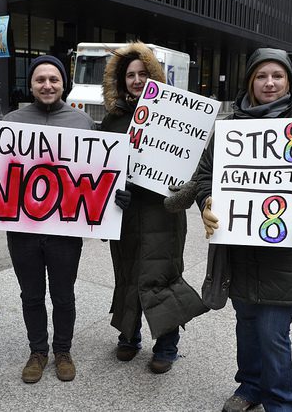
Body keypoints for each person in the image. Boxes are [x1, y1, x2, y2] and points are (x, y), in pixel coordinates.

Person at [195, 48, 292, 412]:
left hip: (287, 253)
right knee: (246, 324)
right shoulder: (227, 129)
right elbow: (204, 177)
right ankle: (249, 387)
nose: (270, 82)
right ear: (250, 81)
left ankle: (280, 403)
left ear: (289, 82)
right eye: (262, 76)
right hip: (239, 251)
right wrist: (207, 203)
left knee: (273, 333)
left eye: (277, 75)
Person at [0, 55, 100, 384]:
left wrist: (112, 198)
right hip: (22, 231)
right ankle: (38, 352)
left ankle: (63, 351)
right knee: (31, 295)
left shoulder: (83, 123)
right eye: (40, 80)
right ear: (31, 84)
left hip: (65, 230)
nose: (47, 85)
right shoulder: (10, 121)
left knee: (64, 295)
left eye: (54, 79)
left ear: (64, 83)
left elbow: (99, 172)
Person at [99, 41, 207, 374]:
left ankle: (167, 343)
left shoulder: (178, 118)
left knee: (161, 275)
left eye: (143, 73)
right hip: (126, 214)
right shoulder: (112, 121)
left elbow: (197, 167)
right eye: (130, 75)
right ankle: (129, 337)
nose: (136, 80)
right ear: (120, 81)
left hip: (164, 212)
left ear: (154, 76)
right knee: (127, 274)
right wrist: (111, 200)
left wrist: (185, 191)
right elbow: (103, 172)